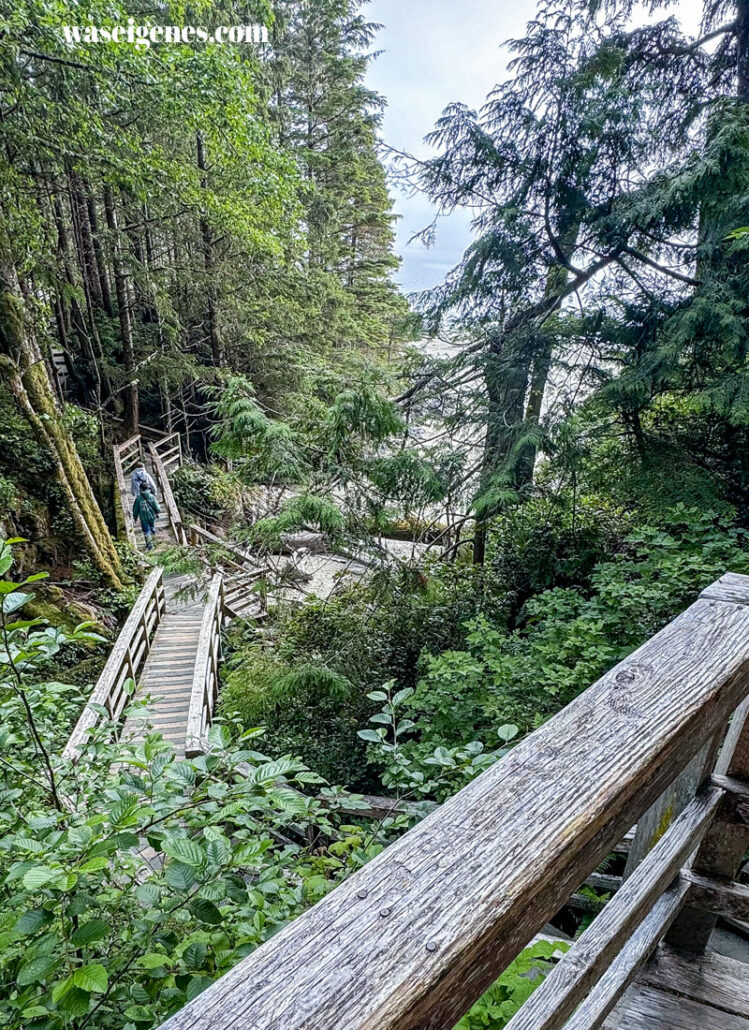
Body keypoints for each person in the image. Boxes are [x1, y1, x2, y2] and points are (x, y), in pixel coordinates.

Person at [133, 482, 160, 551]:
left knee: (146, 531)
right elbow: (157, 507)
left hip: (143, 517)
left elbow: (135, 509)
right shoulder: (151, 496)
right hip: (152, 516)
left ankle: (150, 546)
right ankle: (153, 541)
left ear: (141, 489)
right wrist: (158, 511)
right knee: (152, 527)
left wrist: (135, 517)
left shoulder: (139, 498)